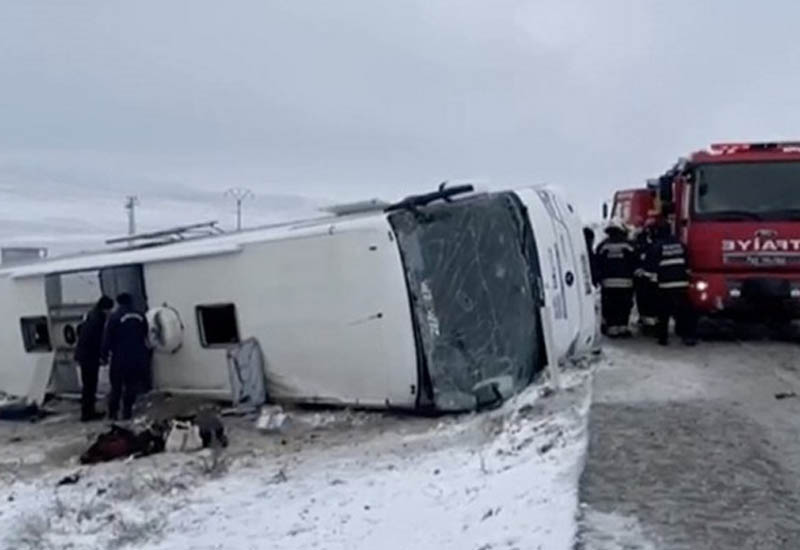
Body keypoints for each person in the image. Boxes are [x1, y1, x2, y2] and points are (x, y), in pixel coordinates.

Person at [646, 221, 697, 346]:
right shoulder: (681, 245)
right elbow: (688, 263)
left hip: (665, 285)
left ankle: (663, 338)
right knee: (684, 312)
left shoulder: (657, 246)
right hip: (681, 284)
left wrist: (652, 283)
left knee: (663, 313)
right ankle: (687, 336)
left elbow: (651, 267)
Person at [102, 293, 149, 420]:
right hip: (136, 357)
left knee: (116, 387)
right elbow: (145, 334)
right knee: (131, 386)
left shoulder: (114, 317)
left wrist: (104, 355)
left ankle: (113, 414)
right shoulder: (140, 316)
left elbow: (108, 338)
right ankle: (127, 413)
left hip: (119, 358)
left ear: (118, 303)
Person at [74, 296, 114, 421]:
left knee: (88, 385)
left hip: (83, 354)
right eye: (110, 310)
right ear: (105, 308)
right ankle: (87, 414)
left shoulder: (91, 315)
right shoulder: (99, 319)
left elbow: (80, 330)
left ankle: (87, 412)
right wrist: (103, 356)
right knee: (90, 385)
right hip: (90, 356)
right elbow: (98, 340)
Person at [596, 221, 636, 337]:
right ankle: (623, 328)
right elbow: (634, 261)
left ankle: (612, 329)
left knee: (610, 306)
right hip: (626, 282)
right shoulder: (628, 245)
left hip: (608, 283)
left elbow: (598, 262)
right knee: (624, 305)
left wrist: (600, 278)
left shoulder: (603, 246)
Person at [633, 222, 658, 333]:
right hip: (651, 280)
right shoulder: (652, 247)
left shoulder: (635, 247)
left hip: (640, 279)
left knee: (642, 302)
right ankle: (651, 323)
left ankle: (646, 322)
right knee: (651, 302)